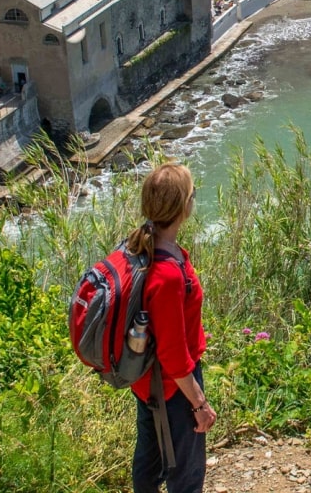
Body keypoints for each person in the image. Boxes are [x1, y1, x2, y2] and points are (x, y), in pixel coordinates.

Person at [128, 163, 215, 493]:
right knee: (187, 476)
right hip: (173, 388)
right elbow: (174, 355)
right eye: (194, 194)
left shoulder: (140, 247)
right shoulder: (167, 276)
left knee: (149, 465)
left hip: (146, 380)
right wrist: (199, 403)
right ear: (184, 206)